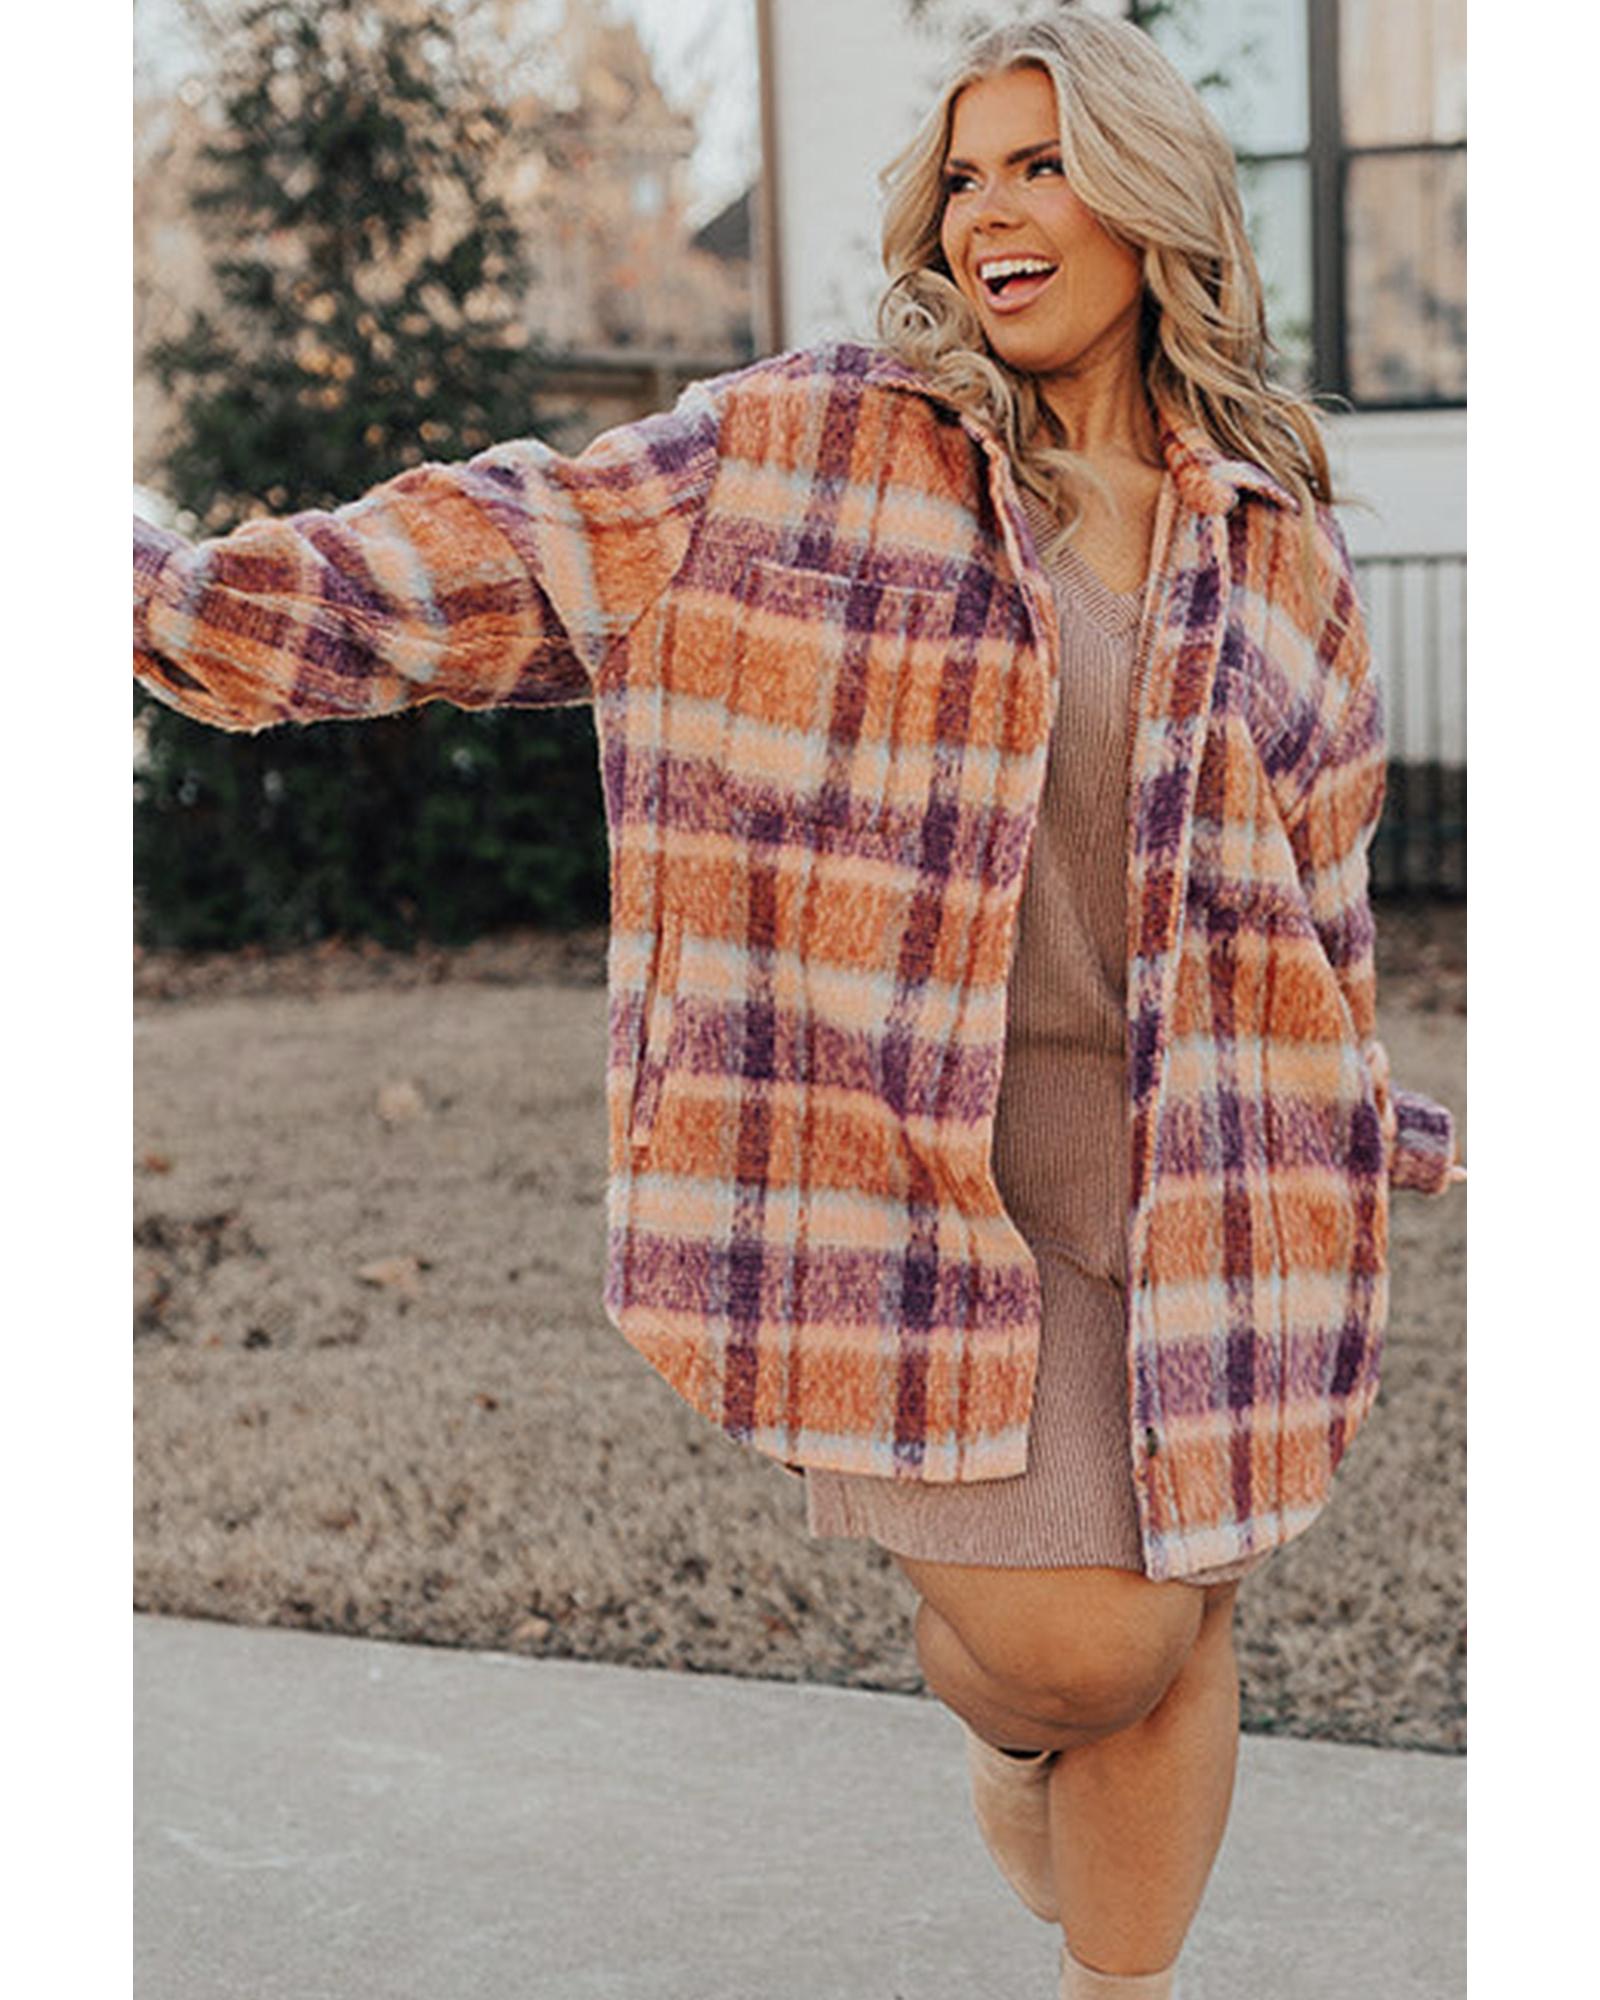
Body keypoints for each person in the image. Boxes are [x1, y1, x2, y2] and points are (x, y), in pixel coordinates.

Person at [133, 10, 1463, 1995]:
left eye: (1042, 165)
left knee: (1186, 1615)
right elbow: (517, 543)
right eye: (964, 174)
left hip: (1201, 1179)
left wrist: (1375, 1121)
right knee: (1084, 1645)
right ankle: (1009, 1740)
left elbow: (1318, 901)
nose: (992, 210)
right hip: (905, 1164)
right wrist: (159, 591)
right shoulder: (816, 442)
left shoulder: (1273, 542)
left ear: (1152, 204)